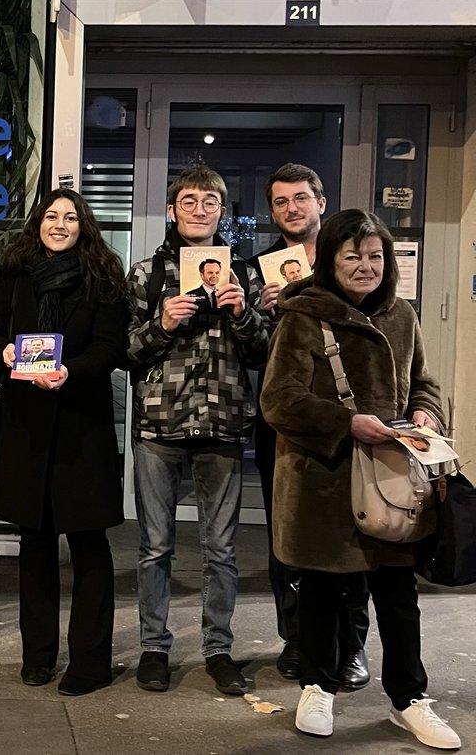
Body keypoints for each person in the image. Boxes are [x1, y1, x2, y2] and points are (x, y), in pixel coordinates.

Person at [261, 210, 460, 749]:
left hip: (395, 482)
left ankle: (408, 699)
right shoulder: (302, 317)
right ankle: (316, 686)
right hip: (324, 479)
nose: (366, 266)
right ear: (329, 260)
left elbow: (424, 382)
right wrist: (346, 423)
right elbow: (278, 401)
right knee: (324, 590)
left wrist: (426, 414)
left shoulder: (401, 316)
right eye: (352, 256)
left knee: (397, 593)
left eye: (375, 256)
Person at [0, 190, 129, 696]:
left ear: (83, 226)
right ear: (37, 223)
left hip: (82, 425)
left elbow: (111, 347)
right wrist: (1, 349)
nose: (59, 224)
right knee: (35, 544)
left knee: (89, 545)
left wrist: (71, 372)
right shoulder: (14, 271)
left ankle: (90, 662)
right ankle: (37, 655)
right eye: (51, 216)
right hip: (26, 426)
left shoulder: (104, 277)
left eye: (70, 217)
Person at [125, 165, 267, 697]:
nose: (200, 210)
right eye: (190, 201)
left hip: (225, 422)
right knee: (155, 547)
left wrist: (243, 313)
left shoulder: (245, 275)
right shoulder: (145, 275)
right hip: (160, 424)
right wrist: (161, 324)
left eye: (210, 202)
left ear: (222, 212)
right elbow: (126, 352)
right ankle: (154, 648)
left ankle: (218, 649)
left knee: (220, 549)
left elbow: (263, 353)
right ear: (172, 210)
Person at [248, 163, 370, 690]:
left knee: (358, 530)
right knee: (288, 535)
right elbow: (252, 352)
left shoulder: (350, 258)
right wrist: (263, 315)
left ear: (322, 202)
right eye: (280, 202)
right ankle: (296, 638)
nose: (291, 209)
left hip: (353, 421)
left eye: (301, 198)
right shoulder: (259, 268)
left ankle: (353, 645)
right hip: (285, 419)